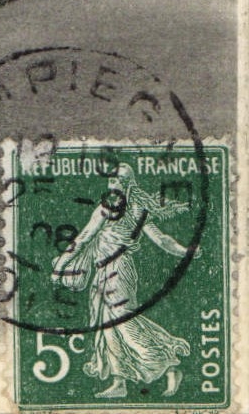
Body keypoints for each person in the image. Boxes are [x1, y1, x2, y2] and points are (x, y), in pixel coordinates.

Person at [52, 163, 191, 399]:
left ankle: (168, 362)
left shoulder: (110, 209)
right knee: (107, 326)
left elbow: (84, 238)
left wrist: (61, 265)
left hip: (118, 270)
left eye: (114, 181)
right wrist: (184, 251)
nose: (110, 185)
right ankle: (120, 382)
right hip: (104, 271)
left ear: (124, 184)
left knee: (123, 322)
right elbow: (164, 241)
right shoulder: (138, 209)